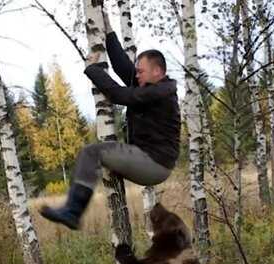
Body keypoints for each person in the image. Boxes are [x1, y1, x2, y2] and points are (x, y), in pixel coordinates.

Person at [40, 15, 181, 230]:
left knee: (92, 153)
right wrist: (108, 30)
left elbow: (119, 96)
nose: (137, 75)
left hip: (154, 164)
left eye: (141, 71)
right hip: (149, 159)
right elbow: (123, 67)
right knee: (100, 157)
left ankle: (73, 212)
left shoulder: (160, 93)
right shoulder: (151, 86)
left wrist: (92, 69)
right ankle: (76, 206)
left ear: (157, 71)